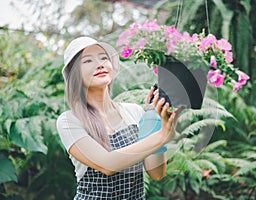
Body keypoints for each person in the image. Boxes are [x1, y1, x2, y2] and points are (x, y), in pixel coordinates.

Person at [56, 36, 179, 199]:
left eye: (103, 58)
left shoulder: (134, 112)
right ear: (74, 75)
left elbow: (156, 173)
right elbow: (107, 164)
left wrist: (154, 117)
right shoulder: (69, 121)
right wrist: (162, 136)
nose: (99, 64)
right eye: (87, 61)